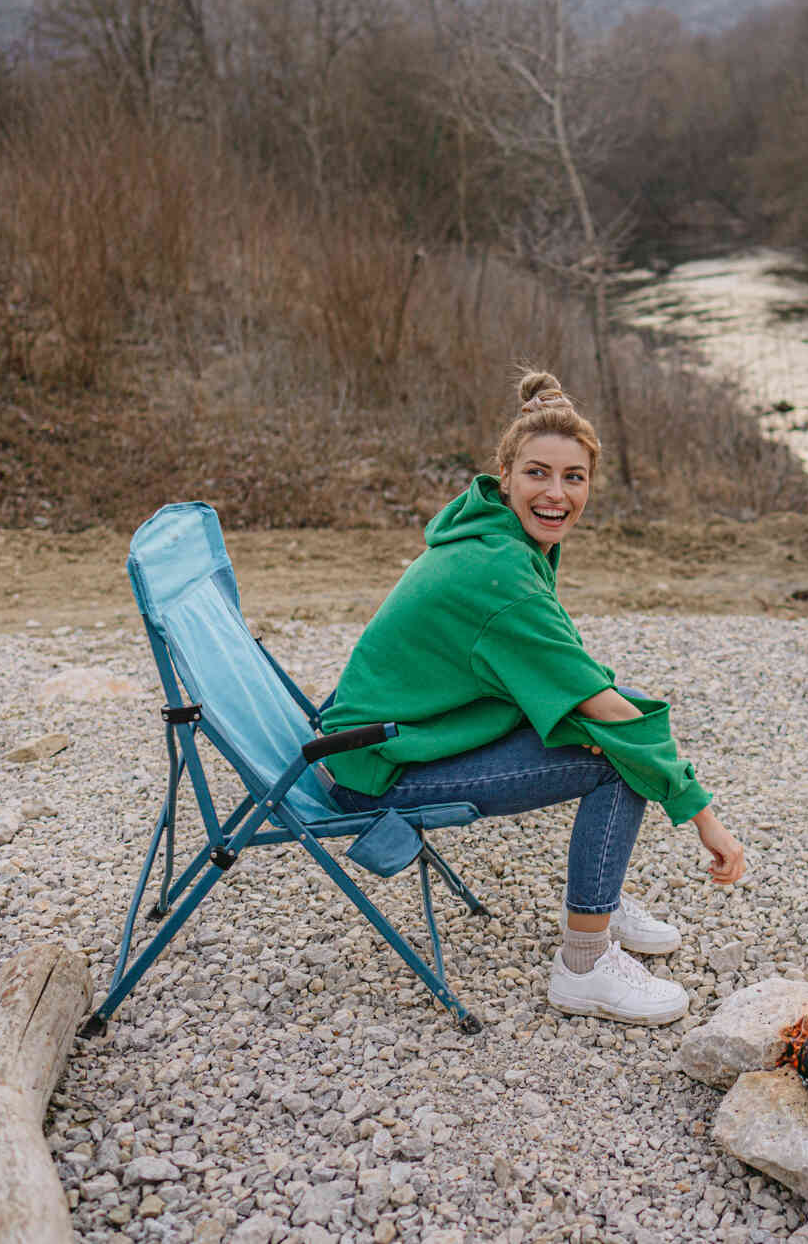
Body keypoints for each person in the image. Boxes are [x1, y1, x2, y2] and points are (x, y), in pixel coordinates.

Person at [315, 369, 747, 1026]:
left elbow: (580, 679)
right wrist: (705, 818)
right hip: (376, 771)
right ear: (504, 475)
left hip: (397, 736)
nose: (556, 493)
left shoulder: (497, 534)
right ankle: (582, 964)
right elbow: (603, 712)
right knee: (611, 751)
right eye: (537, 474)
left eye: (573, 478)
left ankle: (598, 896)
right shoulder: (500, 573)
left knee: (619, 714)